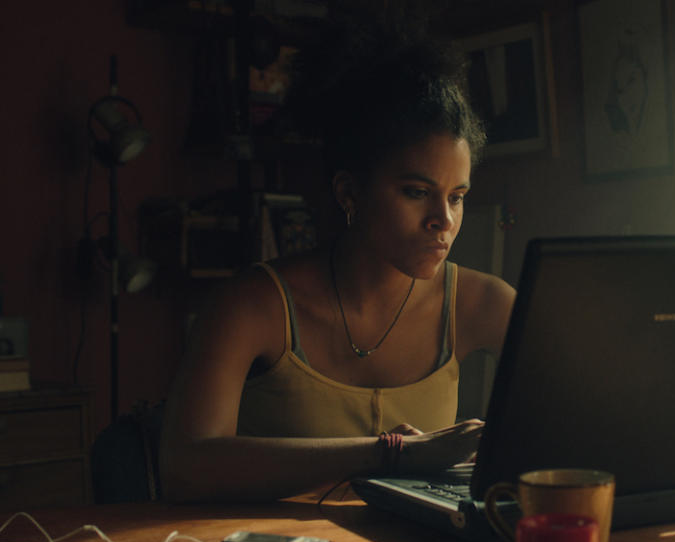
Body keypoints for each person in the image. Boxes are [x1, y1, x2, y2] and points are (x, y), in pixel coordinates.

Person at [159, 15, 516, 502]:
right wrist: (389, 453)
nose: (443, 220)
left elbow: (585, 408)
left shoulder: (481, 302)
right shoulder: (254, 305)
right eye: (416, 192)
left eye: (456, 197)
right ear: (350, 191)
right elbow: (185, 465)